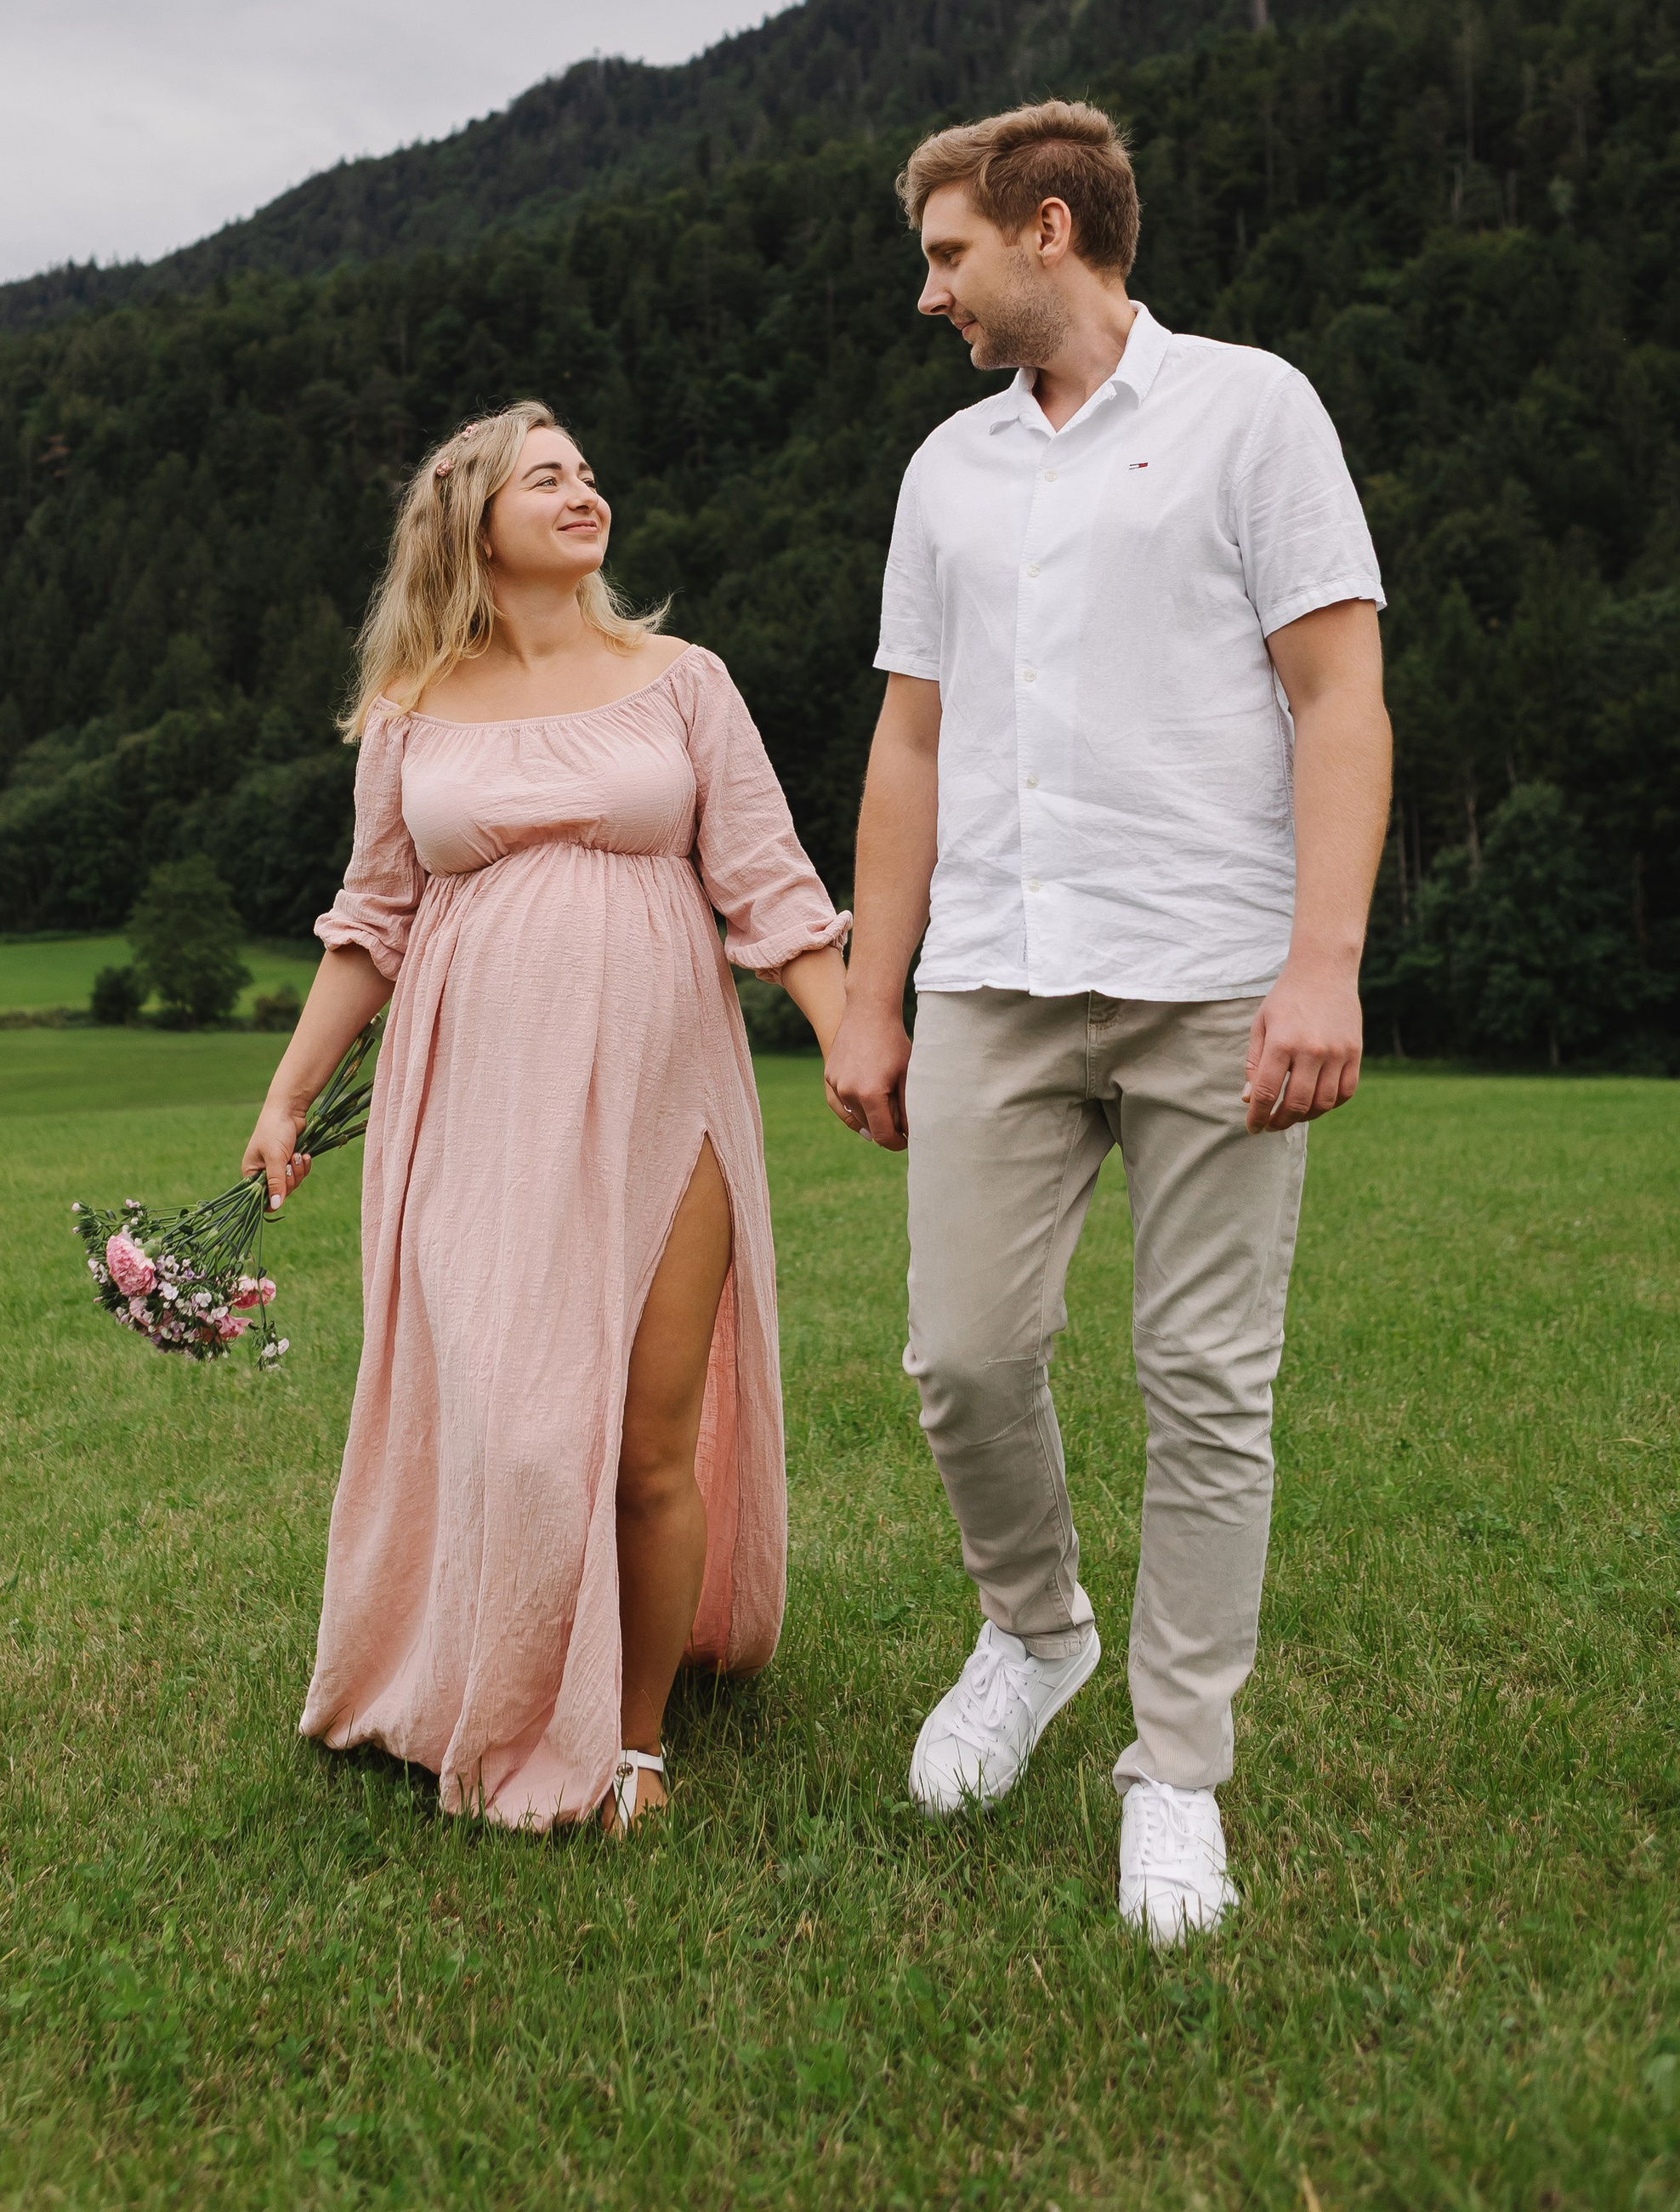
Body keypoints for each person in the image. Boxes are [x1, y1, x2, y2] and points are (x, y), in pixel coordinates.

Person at [823, 100, 1391, 1943]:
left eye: (946, 256)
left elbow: (1339, 695)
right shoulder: (942, 473)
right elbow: (907, 743)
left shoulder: (1251, 411)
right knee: (961, 1357)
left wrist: (1320, 962)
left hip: (1215, 975)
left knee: (1206, 1387)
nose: (932, 297)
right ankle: (1034, 1630)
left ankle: (1176, 1775)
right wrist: (866, 990)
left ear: (1045, 227)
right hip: (990, 971)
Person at [247, 398, 849, 1833]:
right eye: (547, 479)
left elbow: (769, 883)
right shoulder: (409, 716)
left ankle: (632, 1741)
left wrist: (847, 1042)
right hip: (473, 1110)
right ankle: (489, 1675)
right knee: (514, 1425)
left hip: (663, 1091)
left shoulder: (683, 681)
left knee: (649, 1431)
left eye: (590, 470)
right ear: (471, 524)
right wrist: (284, 1098)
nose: (586, 492)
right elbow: (371, 924)